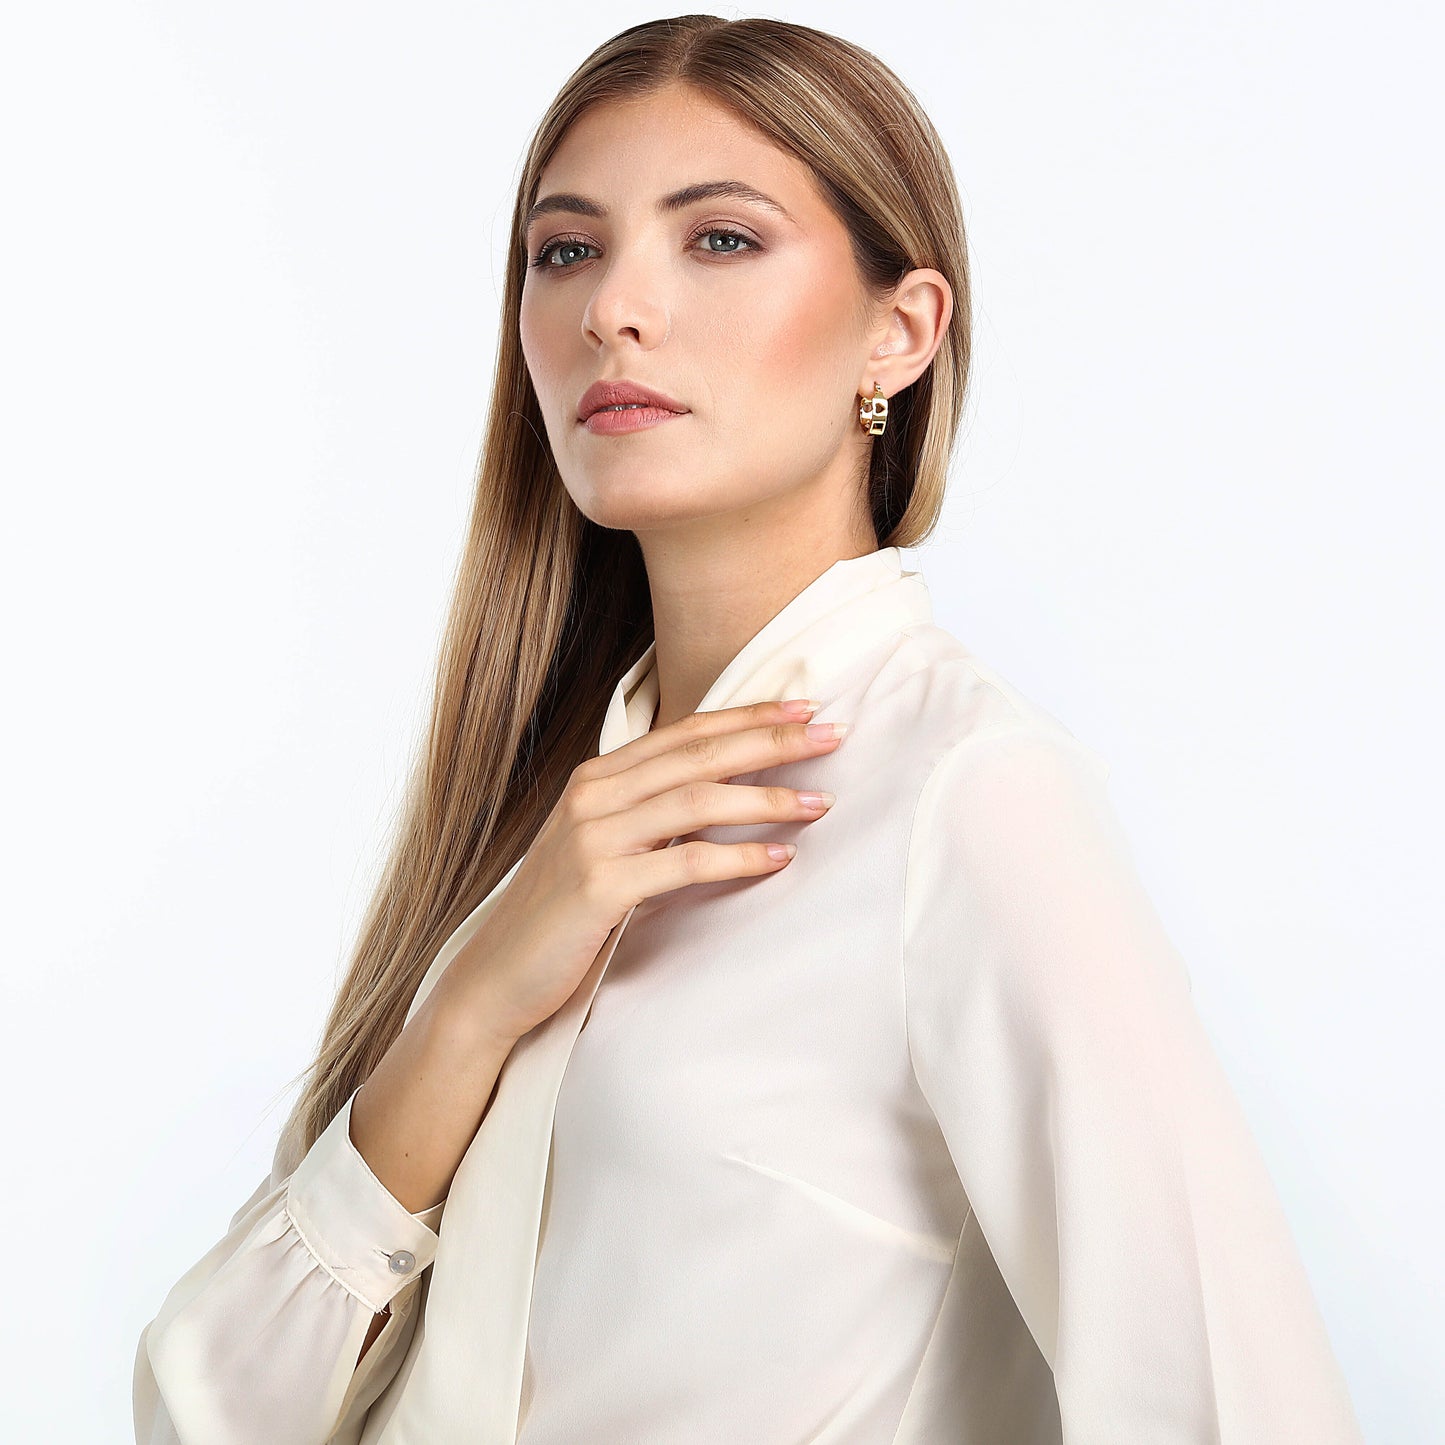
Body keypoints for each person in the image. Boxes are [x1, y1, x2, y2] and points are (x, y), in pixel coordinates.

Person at [132, 15, 1364, 1445]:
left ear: (901, 332)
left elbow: (1236, 1400)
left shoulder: (966, 799)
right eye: (566, 250)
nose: (614, 308)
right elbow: (202, 1412)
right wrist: (469, 1006)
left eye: (718, 239)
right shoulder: (534, 828)